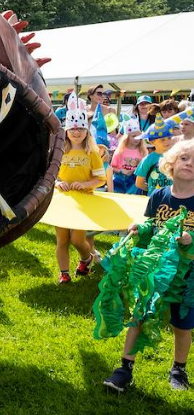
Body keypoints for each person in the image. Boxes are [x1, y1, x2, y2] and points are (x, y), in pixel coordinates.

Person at [103, 139, 194, 392]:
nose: (189, 164)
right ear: (171, 164)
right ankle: (125, 368)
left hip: (187, 279)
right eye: (184, 158)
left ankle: (179, 368)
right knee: (139, 315)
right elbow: (150, 227)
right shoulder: (159, 196)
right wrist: (139, 228)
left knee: (181, 324)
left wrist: (190, 239)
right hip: (153, 272)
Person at [54, 97, 106, 284]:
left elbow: (100, 179)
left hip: (83, 202)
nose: (76, 132)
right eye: (73, 128)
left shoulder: (91, 153)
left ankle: (86, 258)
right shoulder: (60, 150)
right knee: (62, 240)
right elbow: (50, 174)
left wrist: (84, 185)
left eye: (81, 129)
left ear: (87, 131)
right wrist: (58, 183)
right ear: (67, 130)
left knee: (77, 239)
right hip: (63, 200)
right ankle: (64, 273)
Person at [135, 114, 175, 196]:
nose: (167, 142)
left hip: (173, 198)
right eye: (162, 140)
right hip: (154, 200)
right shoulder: (148, 160)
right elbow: (139, 183)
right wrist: (151, 190)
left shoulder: (176, 157)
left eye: (169, 138)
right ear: (152, 142)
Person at [111, 119, 147, 194]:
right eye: (133, 136)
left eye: (139, 136)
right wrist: (121, 171)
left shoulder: (142, 151)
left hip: (134, 180)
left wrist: (136, 171)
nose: (137, 139)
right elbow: (112, 167)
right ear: (127, 137)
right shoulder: (120, 151)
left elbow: (144, 168)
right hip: (120, 178)